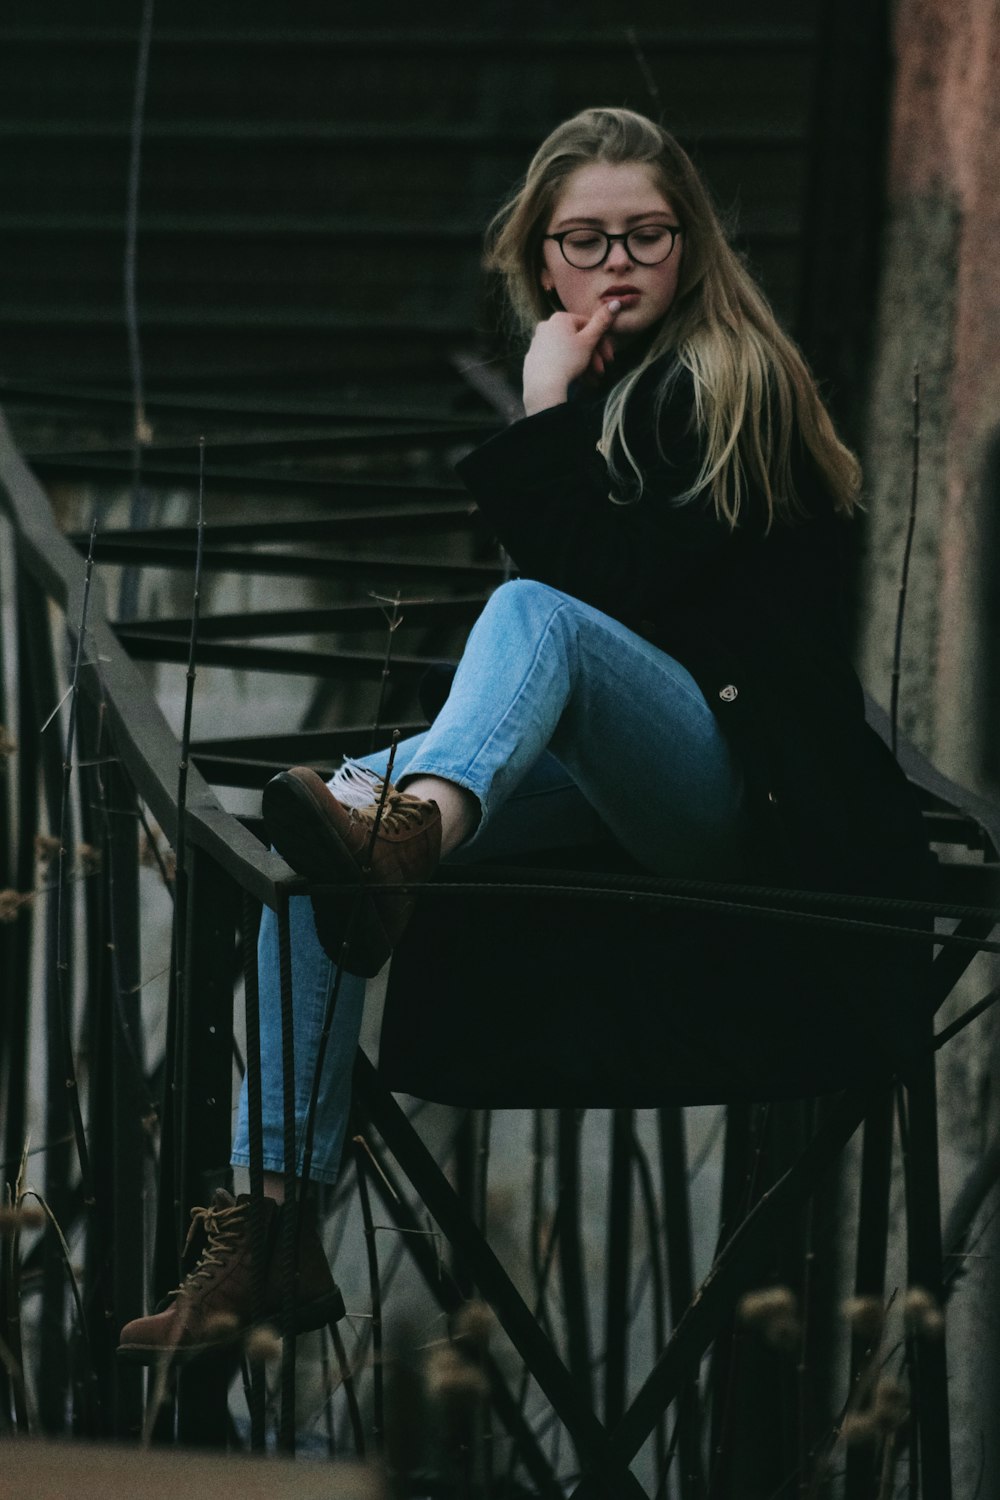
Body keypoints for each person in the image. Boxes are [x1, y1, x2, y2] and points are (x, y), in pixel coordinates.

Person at [118, 107, 928, 1361]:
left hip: (741, 789)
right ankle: (274, 1239)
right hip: (638, 770)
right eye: (586, 239)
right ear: (542, 261)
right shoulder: (621, 389)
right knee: (304, 842)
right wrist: (558, 417)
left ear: (692, 247)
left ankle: (412, 836)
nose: (618, 263)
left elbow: (607, 599)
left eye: (646, 235)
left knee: (528, 615)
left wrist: (542, 412)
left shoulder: (726, 384)